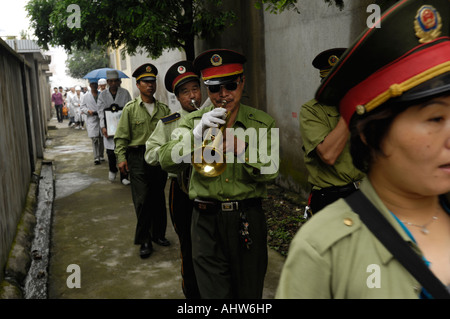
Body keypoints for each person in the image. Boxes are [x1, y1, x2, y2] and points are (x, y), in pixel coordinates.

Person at [276, 0, 450, 299]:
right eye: (435, 118)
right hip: (334, 197)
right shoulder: (324, 249)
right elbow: (328, 155)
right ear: (371, 133)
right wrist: (355, 113)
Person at [159, 49, 279, 299]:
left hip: (246, 218)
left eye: (230, 85)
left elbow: (272, 170)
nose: (223, 94)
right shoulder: (192, 122)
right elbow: (166, 161)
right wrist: (196, 133)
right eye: (214, 89)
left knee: (248, 296)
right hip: (205, 222)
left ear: (242, 82)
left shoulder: (262, 122)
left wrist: (244, 148)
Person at [145, 61, 202, 298]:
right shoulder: (168, 122)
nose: (192, 96)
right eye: (185, 92)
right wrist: (174, 153)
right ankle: (193, 296)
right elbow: (150, 153)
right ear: (177, 97)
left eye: (195, 89)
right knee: (189, 247)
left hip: (213, 189)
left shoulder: (214, 115)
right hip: (183, 189)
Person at [114, 63, 171, 259]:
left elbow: (171, 134)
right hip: (138, 158)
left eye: (152, 81)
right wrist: (121, 158)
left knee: (157, 198)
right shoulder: (131, 109)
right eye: (145, 82)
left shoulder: (164, 109)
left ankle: (158, 235)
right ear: (138, 85)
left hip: (158, 157)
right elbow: (121, 137)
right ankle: (144, 240)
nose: (150, 85)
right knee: (142, 199)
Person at [299, 48, 365, 215]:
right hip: (330, 198)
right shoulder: (311, 110)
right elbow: (328, 154)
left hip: (366, 193)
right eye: (329, 83)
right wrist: (348, 109)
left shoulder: (365, 106)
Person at [98, 70, 132, 184]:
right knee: (111, 153)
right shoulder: (102, 95)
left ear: (119, 81)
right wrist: (103, 127)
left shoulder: (125, 93)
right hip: (109, 127)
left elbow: (130, 109)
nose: (113, 83)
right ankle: (112, 169)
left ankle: (124, 176)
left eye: (115, 81)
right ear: (107, 82)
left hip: (122, 125)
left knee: (124, 151)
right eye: (110, 81)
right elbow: (100, 112)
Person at [80, 80, 104, 165]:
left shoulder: (101, 95)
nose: (94, 85)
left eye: (95, 84)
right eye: (92, 84)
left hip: (101, 118)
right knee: (94, 139)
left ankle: (101, 155)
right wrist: (88, 111)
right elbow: (82, 107)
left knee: (102, 138)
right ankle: (96, 157)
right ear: (90, 85)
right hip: (92, 119)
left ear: (98, 85)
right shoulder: (86, 96)